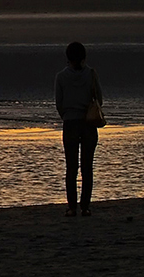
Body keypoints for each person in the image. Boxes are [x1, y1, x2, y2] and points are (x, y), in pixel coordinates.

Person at [54, 41, 102, 217]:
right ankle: (86, 206)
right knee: (87, 167)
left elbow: (59, 103)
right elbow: (99, 99)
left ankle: (72, 207)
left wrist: (67, 116)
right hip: (88, 123)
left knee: (71, 167)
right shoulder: (91, 74)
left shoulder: (61, 77)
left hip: (70, 122)